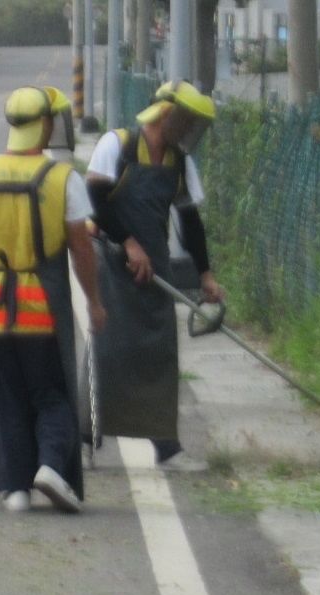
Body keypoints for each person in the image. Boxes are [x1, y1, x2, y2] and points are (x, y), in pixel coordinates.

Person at [0, 86, 106, 513]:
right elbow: (81, 247)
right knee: (52, 391)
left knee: (7, 392)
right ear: (47, 124)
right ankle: (52, 466)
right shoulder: (61, 178)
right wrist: (93, 301)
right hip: (44, 301)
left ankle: (14, 488)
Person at [85, 80, 222, 472]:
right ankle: (88, 433)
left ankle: (165, 445)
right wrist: (128, 243)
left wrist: (206, 275)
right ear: (167, 114)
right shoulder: (118, 145)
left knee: (159, 354)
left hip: (155, 268)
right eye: (188, 120)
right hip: (112, 262)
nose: (191, 129)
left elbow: (190, 220)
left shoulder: (179, 162)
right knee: (110, 349)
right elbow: (94, 200)